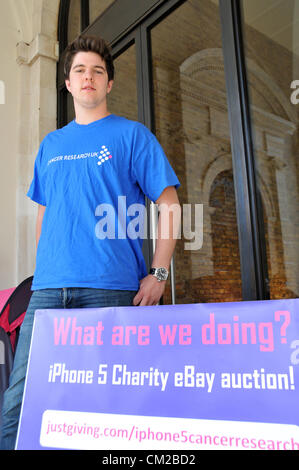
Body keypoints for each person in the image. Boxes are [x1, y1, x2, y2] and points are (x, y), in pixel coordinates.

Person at [0, 35, 180, 450]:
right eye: (80, 70)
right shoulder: (50, 146)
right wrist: (43, 271)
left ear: (109, 84)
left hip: (111, 289)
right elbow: (44, 218)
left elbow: (169, 204)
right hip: (47, 292)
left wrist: (158, 273)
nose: (88, 77)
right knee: (21, 402)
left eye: (98, 71)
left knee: (111, 405)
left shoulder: (132, 136)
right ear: (67, 83)